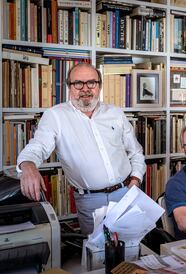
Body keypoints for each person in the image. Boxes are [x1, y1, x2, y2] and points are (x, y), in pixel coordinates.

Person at [17, 63, 146, 235]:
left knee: (133, 248)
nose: (85, 89)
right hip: (90, 200)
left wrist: (136, 180)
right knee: (98, 256)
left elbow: (135, 151)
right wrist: (28, 165)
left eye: (91, 82)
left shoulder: (115, 113)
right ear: (69, 87)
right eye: (78, 83)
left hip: (126, 193)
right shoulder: (55, 116)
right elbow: (38, 146)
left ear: (99, 85)